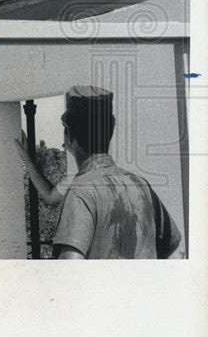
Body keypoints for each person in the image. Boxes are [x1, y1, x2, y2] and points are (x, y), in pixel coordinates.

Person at [43, 86, 183, 259]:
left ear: (69, 136)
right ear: (110, 131)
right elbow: (176, 254)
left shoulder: (81, 193)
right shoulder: (140, 185)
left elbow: (71, 272)